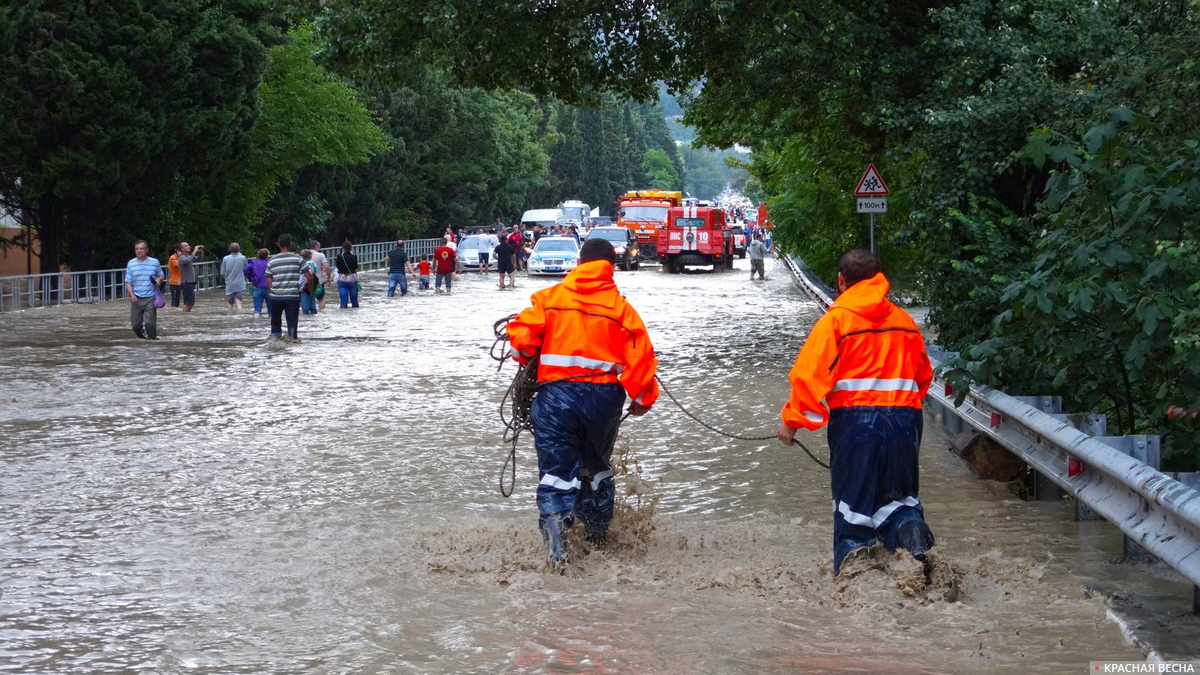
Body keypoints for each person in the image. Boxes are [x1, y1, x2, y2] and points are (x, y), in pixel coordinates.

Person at [776, 249, 935, 575]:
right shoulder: (904, 322)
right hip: (905, 422)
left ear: (840, 280)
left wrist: (792, 422)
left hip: (856, 425)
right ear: (879, 278)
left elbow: (810, 378)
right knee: (900, 502)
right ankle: (914, 540)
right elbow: (924, 377)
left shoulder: (836, 321)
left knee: (852, 510)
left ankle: (856, 589)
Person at [506, 238, 659, 565]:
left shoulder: (551, 298)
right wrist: (642, 399)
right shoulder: (621, 309)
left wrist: (528, 357)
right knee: (595, 466)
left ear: (579, 262)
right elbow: (641, 360)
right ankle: (598, 537)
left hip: (556, 398)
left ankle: (557, 543)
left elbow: (520, 343)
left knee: (557, 471)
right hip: (603, 400)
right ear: (611, 267)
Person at [124, 240, 164, 340]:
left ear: (146, 250)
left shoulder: (154, 262)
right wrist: (131, 294)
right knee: (135, 326)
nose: (139, 251)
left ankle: (152, 343)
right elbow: (128, 281)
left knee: (150, 324)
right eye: (137, 249)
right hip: (136, 298)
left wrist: (158, 281)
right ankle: (143, 340)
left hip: (150, 297)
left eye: (141, 249)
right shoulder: (131, 263)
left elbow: (161, 275)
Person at [267, 234, 303, 342]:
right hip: (292, 296)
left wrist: (272, 292)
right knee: (292, 321)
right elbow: (309, 275)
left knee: (275, 321)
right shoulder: (297, 259)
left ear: (278, 244)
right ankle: (292, 337)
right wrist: (309, 288)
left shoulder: (272, 260)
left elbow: (268, 280)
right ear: (290, 244)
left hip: (275, 297)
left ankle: (275, 337)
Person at [176, 242, 204, 313]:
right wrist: (194, 251)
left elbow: (197, 259)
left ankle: (187, 314)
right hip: (186, 282)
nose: (188, 246)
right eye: (186, 246)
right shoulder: (181, 258)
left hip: (190, 282)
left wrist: (199, 252)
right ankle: (184, 315)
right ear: (182, 249)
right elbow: (188, 260)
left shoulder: (188, 256)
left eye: (188, 245)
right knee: (188, 302)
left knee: (191, 301)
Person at [221, 243, 248, 311]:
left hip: (229, 284)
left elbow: (223, 272)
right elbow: (247, 270)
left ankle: (230, 319)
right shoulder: (243, 258)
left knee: (229, 305)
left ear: (230, 249)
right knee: (239, 304)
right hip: (240, 284)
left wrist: (226, 280)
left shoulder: (225, 259)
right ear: (239, 249)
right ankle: (240, 317)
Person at [245, 248, 271, 317]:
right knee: (271, 311)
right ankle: (272, 326)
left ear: (258, 255)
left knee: (257, 310)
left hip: (257, 287)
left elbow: (245, 269)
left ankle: (255, 325)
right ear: (267, 255)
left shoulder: (254, 262)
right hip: (269, 288)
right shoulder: (270, 263)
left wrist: (251, 278)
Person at [334, 241, 360, 308]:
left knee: (343, 299)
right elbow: (355, 267)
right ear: (351, 248)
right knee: (354, 299)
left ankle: (344, 312)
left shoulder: (339, 257)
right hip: (352, 280)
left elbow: (337, 266)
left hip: (342, 279)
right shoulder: (354, 257)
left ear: (343, 248)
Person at [309, 240, 331, 311]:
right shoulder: (320, 255)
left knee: (307, 300)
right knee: (321, 299)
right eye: (319, 247)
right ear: (316, 247)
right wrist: (329, 277)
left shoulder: (304, 255)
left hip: (306, 281)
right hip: (319, 281)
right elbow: (326, 267)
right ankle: (321, 316)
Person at [299, 249, 319, 315]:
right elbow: (314, 274)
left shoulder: (305, 264)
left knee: (305, 307)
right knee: (312, 305)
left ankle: (306, 321)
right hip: (313, 284)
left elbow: (308, 277)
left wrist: (302, 286)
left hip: (305, 285)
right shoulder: (313, 263)